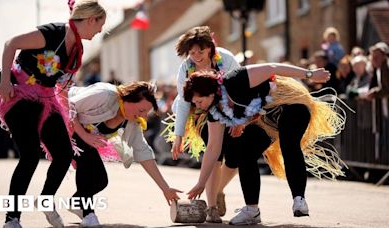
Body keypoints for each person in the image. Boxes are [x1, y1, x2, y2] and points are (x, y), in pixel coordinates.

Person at [183, 64, 346, 225]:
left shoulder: (234, 79)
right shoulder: (215, 112)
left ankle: (299, 199)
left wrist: (310, 74)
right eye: (195, 103)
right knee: (245, 153)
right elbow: (212, 148)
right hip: (267, 121)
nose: (198, 106)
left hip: (290, 104)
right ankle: (252, 210)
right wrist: (200, 183)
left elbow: (272, 68)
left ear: (210, 92)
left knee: (289, 143)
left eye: (199, 101)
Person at [0, 1, 106, 227]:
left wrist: (70, 119)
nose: (100, 31)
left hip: (47, 100)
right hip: (19, 95)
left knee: (64, 154)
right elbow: (11, 44)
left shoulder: (76, 51)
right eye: (100, 25)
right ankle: (12, 219)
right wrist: (5, 81)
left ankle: (46, 200)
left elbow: (62, 88)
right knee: (29, 155)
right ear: (90, 19)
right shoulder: (52, 33)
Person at [67, 81, 181, 226]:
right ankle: (87, 213)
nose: (143, 116)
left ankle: (77, 203)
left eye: (146, 112)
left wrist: (165, 188)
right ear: (128, 99)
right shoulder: (104, 94)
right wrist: (85, 135)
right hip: (63, 124)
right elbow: (67, 106)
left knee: (100, 181)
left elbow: (143, 152)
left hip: (85, 138)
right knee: (90, 169)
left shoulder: (131, 121)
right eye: (141, 110)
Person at [164, 26, 240, 222]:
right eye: (191, 52)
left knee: (234, 159)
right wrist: (178, 135)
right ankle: (212, 207)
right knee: (214, 154)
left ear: (210, 47)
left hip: (230, 111)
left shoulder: (225, 59)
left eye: (201, 50)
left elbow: (240, 89)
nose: (196, 56)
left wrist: (239, 119)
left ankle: (218, 189)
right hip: (202, 115)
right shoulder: (186, 68)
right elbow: (183, 103)